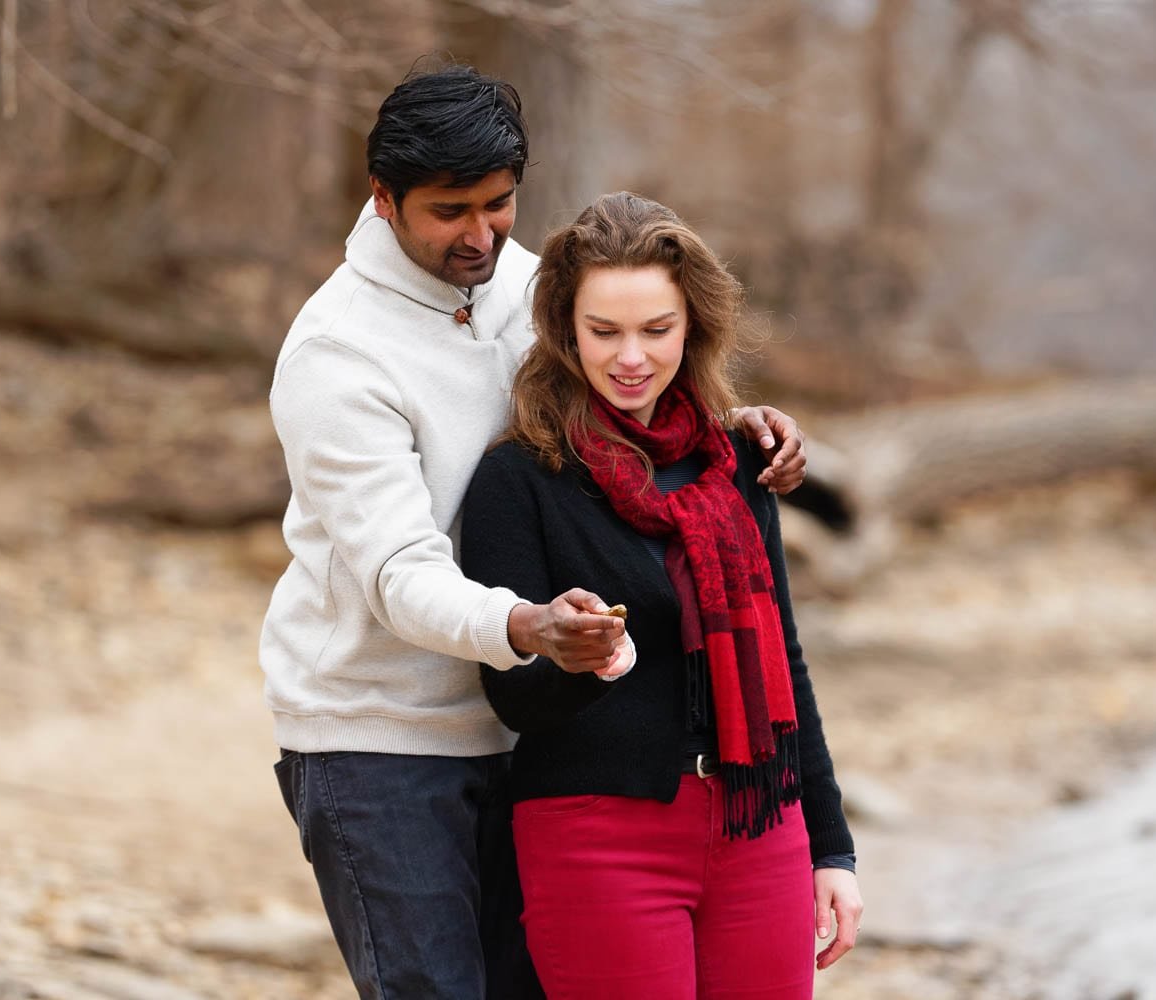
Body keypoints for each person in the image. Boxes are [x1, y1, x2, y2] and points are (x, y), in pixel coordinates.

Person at [260, 65, 808, 999]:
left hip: (528, 734)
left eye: (498, 205)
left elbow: (623, 392)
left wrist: (731, 430)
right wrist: (525, 626)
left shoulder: (529, 290)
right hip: (379, 742)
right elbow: (399, 572)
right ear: (382, 199)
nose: (479, 235)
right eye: (448, 213)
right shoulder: (337, 355)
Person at [460, 191, 862, 1000]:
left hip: (760, 821)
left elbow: (782, 652)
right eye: (604, 331)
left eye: (657, 329)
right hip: (597, 835)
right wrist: (578, 659)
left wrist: (832, 849)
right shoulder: (519, 480)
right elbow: (512, 699)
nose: (631, 357)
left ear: (694, 325)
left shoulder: (737, 463)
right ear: (566, 329)